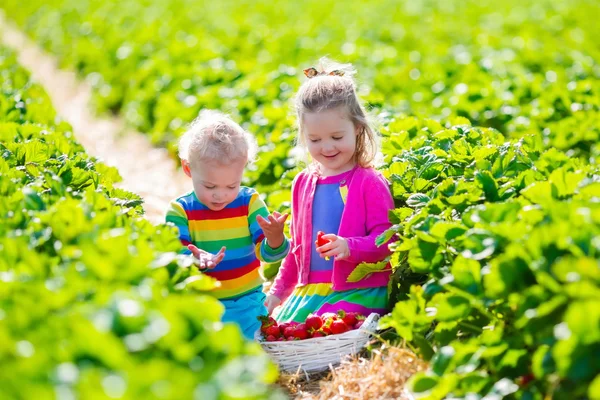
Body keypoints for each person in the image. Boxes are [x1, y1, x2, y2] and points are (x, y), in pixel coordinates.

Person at [265, 58, 396, 323]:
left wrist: (350, 247)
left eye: (337, 137)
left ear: (358, 129)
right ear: (303, 135)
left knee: (326, 326)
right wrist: (278, 293)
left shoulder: (368, 181)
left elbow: (388, 239)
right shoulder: (303, 183)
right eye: (315, 139)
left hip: (359, 290)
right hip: (312, 292)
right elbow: (298, 250)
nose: (327, 147)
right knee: (282, 330)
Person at [166, 110, 290, 339]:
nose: (220, 196)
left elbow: (270, 255)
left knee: (252, 351)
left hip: (248, 302)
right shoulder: (180, 211)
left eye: (231, 186)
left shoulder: (249, 202)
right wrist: (194, 258)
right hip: (204, 303)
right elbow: (174, 254)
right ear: (188, 169)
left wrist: (275, 238)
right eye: (210, 187)